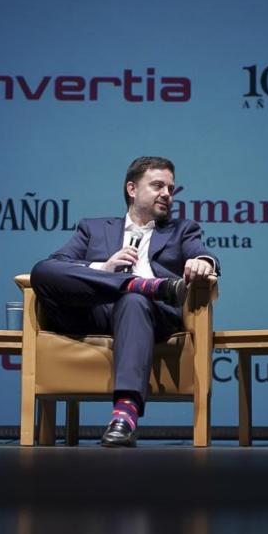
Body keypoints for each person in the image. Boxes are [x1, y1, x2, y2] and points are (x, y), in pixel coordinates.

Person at [30, 156, 219, 447]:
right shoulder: (92, 228)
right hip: (91, 311)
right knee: (42, 270)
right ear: (132, 189)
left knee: (132, 300)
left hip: (147, 315)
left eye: (170, 188)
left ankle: (125, 415)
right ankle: (145, 286)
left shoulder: (183, 229)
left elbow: (203, 254)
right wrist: (103, 269)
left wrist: (203, 262)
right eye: (158, 185)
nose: (167, 194)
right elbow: (57, 264)